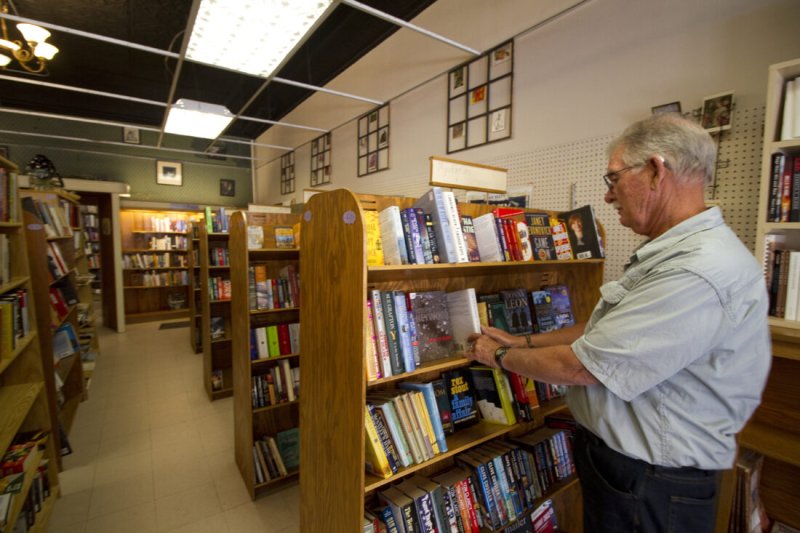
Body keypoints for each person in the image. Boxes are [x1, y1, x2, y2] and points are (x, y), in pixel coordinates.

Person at [466, 113, 771, 532]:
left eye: (613, 178)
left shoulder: (695, 270)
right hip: (633, 471)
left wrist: (499, 355)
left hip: (651, 483)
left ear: (656, 170)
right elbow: (603, 330)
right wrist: (526, 339)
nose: (608, 197)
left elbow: (583, 366)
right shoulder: (675, 252)